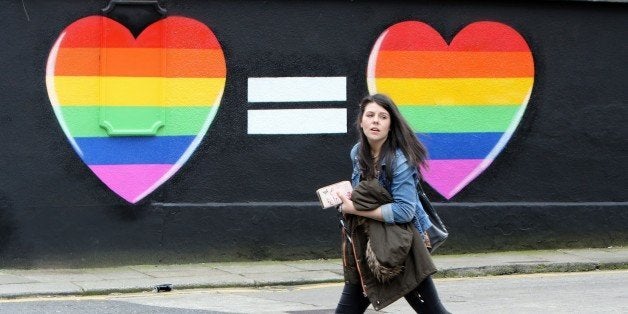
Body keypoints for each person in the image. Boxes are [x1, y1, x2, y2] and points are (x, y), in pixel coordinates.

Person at [335, 94, 449, 313]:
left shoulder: (400, 159)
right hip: (369, 243)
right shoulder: (357, 153)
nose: (375, 121)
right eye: (370, 115)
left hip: (403, 245)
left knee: (433, 311)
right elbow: (365, 195)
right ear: (361, 121)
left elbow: (405, 211)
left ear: (391, 124)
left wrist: (355, 208)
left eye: (382, 116)